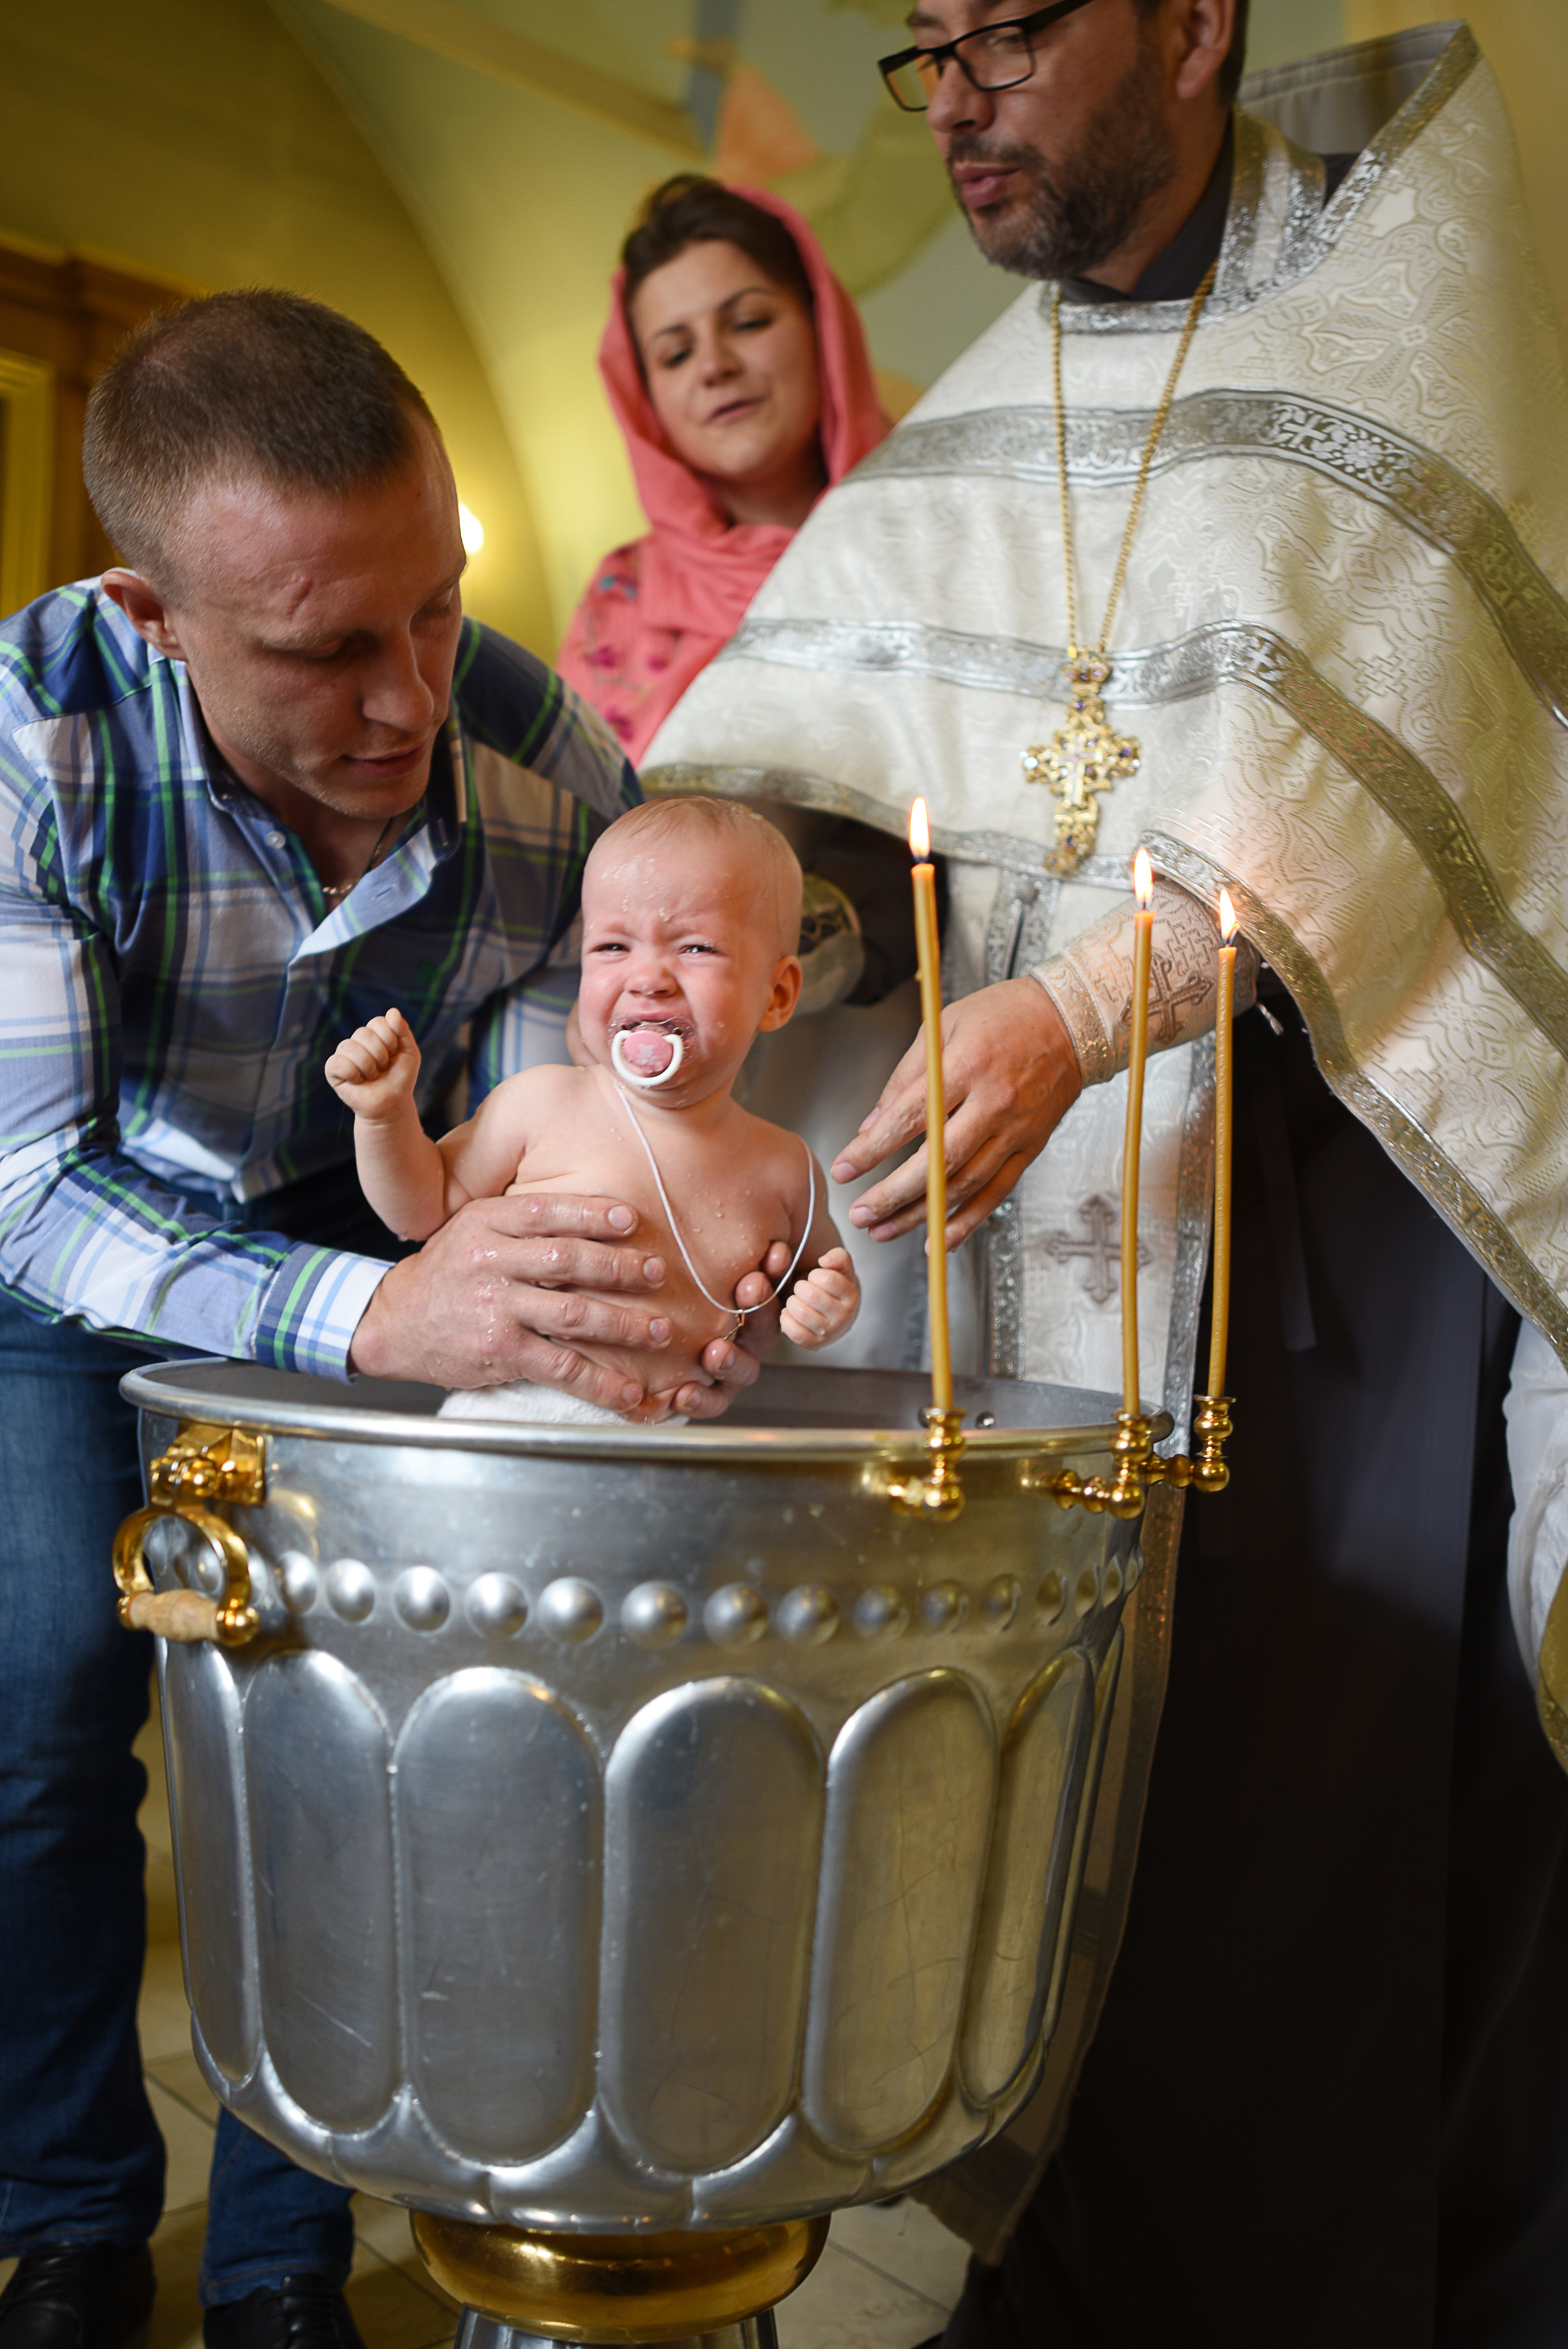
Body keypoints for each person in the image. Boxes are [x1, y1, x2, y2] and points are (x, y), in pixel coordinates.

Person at [644, 2, 1568, 2341]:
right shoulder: (976, 418)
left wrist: (1079, 1012)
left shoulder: (1400, 327)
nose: (953, 95)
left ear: (1187, 24)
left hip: (1335, 1238)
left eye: (1009, 31)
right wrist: (750, 924)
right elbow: (831, 798)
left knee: (1307, 1835)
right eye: (919, 49)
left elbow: (1415, 778)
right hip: (1036, 1256)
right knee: (1057, 1821)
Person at [0, 290, 771, 2349]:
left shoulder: (534, 743)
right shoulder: (27, 738)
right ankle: (70, 2222)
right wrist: (373, 1308)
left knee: (350, 1719)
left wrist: (634, 1296)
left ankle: (286, 2260)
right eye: (328, 647)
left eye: (434, 606)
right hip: (71, 1257)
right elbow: (28, 1186)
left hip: (381, 1230)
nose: (411, 694)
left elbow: (577, 1118)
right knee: (45, 1712)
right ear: (153, 615)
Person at [325, 797, 859, 1424]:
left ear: (777, 995)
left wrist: (829, 1308)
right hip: (503, 1425)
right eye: (612, 946)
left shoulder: (785, 1166)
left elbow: (814, 1280)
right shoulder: (542, 1103)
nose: (647, 978)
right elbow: (417, 1211)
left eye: (695, 948)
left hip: (664, 1441)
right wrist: (386, 1118)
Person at [558, 174, 891, 766]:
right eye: (677, 354)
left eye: (749, 322)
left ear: (823, 329)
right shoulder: (620, 603)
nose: (714, 366)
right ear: (645, 401)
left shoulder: (946, 529)